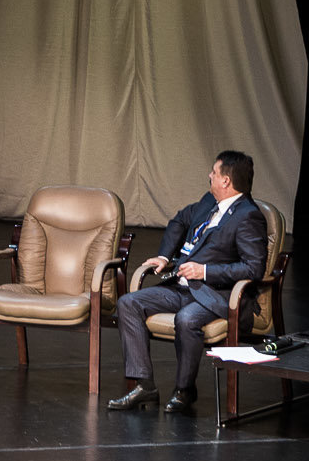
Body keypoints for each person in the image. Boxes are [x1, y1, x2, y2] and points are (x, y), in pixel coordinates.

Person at [109, 151, 267, 413]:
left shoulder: (248, 216)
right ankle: (144, 385)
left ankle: (184, 391)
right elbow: (179, 221)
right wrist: (164, 256)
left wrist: (204, 271)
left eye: (214, 172)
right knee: (128, 303)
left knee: (187, 319)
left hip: (217, 295)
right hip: (182, 288)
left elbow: (254, 268)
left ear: (226, 180)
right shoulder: (209, 201)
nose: (209, 175)